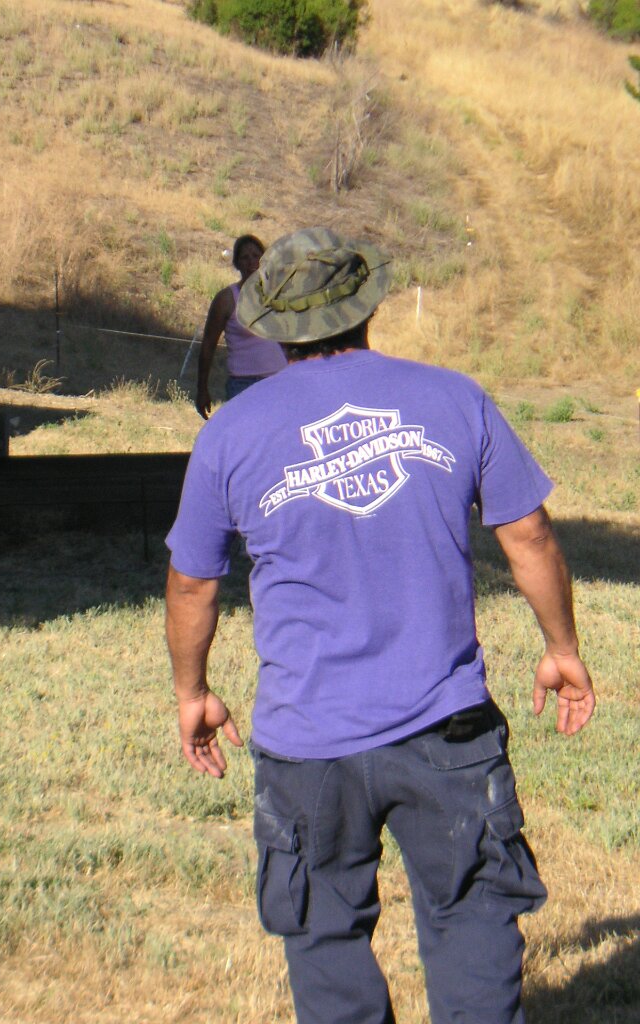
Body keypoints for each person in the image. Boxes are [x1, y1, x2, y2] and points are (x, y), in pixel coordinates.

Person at [165, 227, 595, 1024]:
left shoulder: (227, 435)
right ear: (368, 306)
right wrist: (561, 649)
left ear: (274, 326)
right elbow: (528, 535)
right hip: (448, 730)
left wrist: (192, 690)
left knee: (323, 939)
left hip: (307, 745)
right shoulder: (454, 398)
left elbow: (194, 581)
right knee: (471, 914)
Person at [194, 234, 287, 419]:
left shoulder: (278, 294)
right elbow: (207, 347)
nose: (251, 261)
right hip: (244, 384)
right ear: (236, 264)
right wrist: (202, 389)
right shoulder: (227, 299)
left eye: (255, 255)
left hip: (280, 381)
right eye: (245, 257)